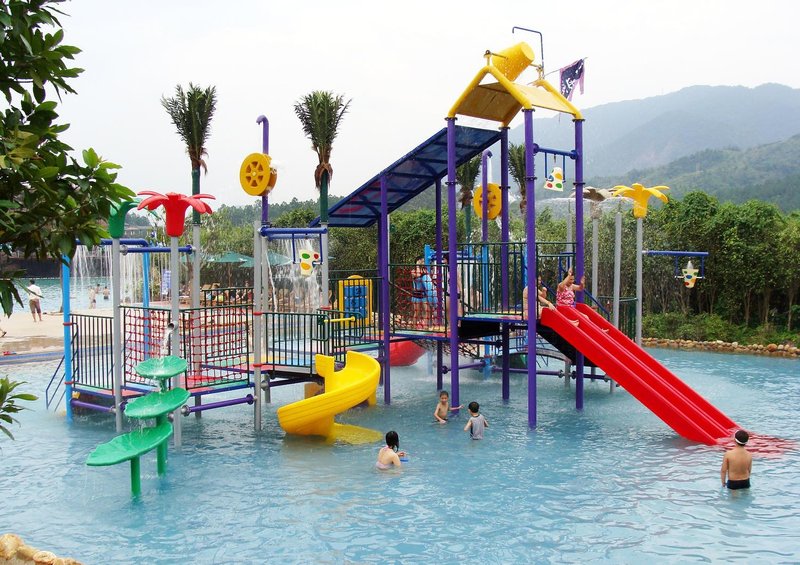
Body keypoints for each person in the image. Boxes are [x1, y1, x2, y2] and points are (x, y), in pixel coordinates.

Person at [410, 256, 435, 329]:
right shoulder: (413, 271)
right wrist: (417, 265)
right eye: (422, 261)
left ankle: (426, 327)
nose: (423, 262)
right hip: (416, 295)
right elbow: (418, 275)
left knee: (427, 310)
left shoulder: (424, 270)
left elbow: (428, 279)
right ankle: (414, 328)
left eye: (424, 261)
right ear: (418, 261)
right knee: (417, 312)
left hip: (423, 294)